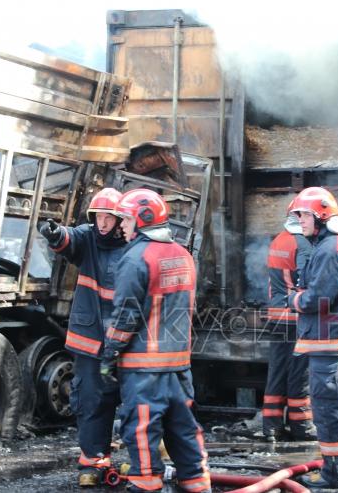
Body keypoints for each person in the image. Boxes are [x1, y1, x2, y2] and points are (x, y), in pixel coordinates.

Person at [101, 188, 210, 493]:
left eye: (125, 219)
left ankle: (145, 483)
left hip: (143, 367)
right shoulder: (183, 255)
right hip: (179, 364)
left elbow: (125, 318)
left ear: (141, 219)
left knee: (142, 428)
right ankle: (197, 483)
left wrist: (109, 356)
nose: (122, 225)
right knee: (184, 428)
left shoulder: (135, 259)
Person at [38, 187, 125, 487]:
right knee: (90, 399)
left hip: (125, 343)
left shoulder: (132, 242)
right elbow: (68, 239)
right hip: (90, 342)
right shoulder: (87, 237)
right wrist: (53, 233)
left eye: (109, 218)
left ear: (119, 219)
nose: (103, 224)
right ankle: (92, 459)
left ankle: (135, 458)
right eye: (99, 217)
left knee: (133, 399)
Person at [286, 187, 338, 490]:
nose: (299, 221)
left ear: (321, 215)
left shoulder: (330, 250)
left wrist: (295, 299)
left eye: (303, 215)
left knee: (328, 411)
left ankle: (336, 475)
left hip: (329, 344)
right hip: (335, 342)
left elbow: (319, 299)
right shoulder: (334, 245)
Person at [262, 200, 316, 442]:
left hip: (276, 316)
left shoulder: (279, 240)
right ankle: (301, 426)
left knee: (277, 371)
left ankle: (271, 427)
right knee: (299, 373)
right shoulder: (303, 245)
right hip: (295, 318)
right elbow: (307, 283)